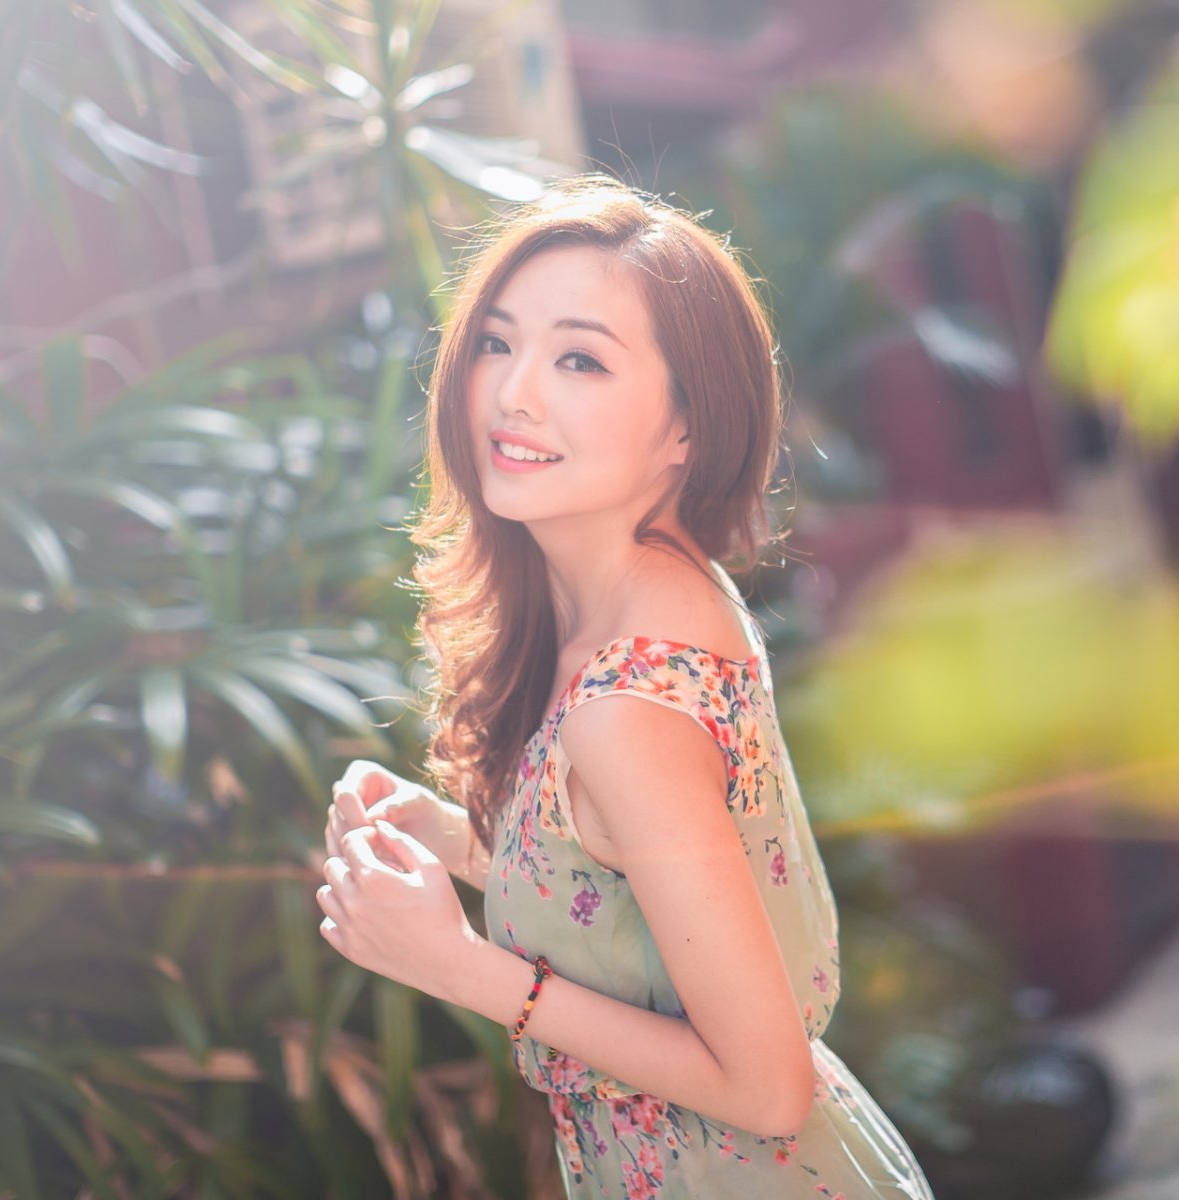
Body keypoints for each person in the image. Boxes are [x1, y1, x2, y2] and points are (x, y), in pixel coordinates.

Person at [313, 175, 933, 1200]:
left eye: (580, 360)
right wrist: (451, 838)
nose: (513, 393)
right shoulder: (657, 592)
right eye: (497, 343)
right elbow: (636, 895)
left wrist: (455, 965)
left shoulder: (627, 706)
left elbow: (766, 1088)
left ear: (687, 428)